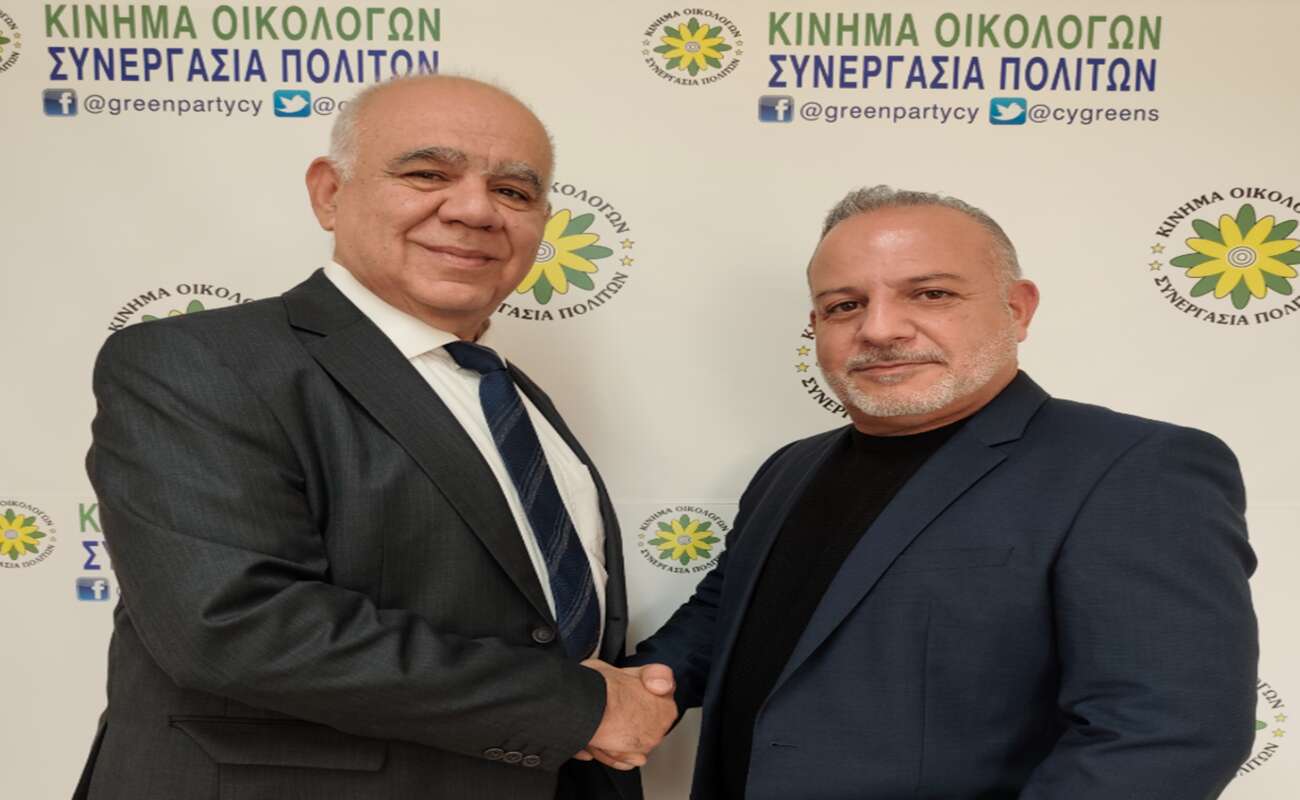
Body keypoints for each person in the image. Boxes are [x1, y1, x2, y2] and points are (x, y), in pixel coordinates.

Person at [75, 75, 675, 800]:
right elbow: (233, 624)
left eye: (513, 191)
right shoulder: (201, 361)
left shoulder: (507, 395)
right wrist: (579, 709)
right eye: (428, 174)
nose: (476, 210)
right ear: (329, 193)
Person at [629, 186, 1258, 799]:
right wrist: (632, 692)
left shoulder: (1134, 467)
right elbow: (724, 617)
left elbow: (1166, 736)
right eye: (844, 305)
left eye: (931, 294)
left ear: (1017, 309)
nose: (879, 328)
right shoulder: (789, 468)